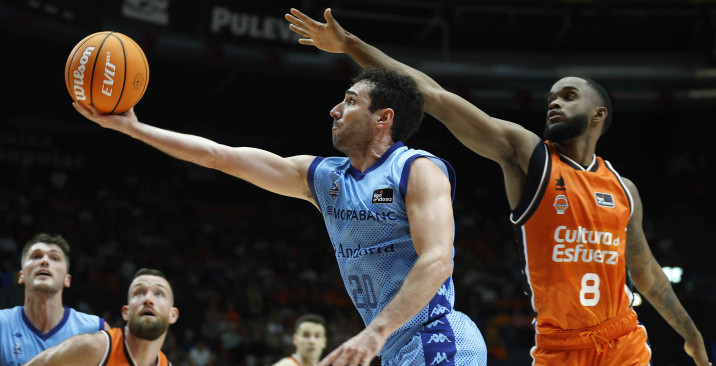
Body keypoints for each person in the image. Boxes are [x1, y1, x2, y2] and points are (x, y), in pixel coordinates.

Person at [284, 8, 713, 366]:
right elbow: (431, 95)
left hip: (622, 338)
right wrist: (351, 45)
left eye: (568, 95)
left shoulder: (623, 189)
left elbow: (648, 276)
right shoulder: (529, 156)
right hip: (559, 345)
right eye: (551, 97)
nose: (555, 102)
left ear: (599, 114)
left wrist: (691, 335)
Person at [71, 65, 487, 365]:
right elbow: (221, 157)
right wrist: (134, 130)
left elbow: (438, 259)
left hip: (439, 338)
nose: (335, 110)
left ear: (383, 118)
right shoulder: (325, 178)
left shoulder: (418, 169)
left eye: (350, 101)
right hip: (393, 351)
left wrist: (374, 333)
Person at [25, 268, 179, 366]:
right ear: (126, 312)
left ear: (173, 315)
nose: (148, 299)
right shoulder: (95, 348)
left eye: (159, 294)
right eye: (139, 293)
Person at [0, 233, 109, 365]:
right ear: (21, 276)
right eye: (36, 256)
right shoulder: (2, 324)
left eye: (55, 258)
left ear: (67, 279)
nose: (44, 261)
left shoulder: (97, 330)